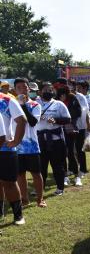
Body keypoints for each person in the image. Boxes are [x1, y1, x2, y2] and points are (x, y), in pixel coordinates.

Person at [13, 78, 46, 207]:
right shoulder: (11, 103)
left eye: (24, 87)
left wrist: (22, 105)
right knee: (20, 174)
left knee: (36, 173)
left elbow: (32, 122)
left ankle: (40, 199)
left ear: (28, 88)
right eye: (19, 87)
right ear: (15, 90)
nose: (22, 89)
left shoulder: (35, 105)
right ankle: (24, 198)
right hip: (16, 145)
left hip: (31, 145)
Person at [37, 82, 71, 196]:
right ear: (40, 91)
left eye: (50, 90)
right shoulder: (35, 103)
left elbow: (67, 119)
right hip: (40, 139)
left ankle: (60, 188)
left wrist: (56, 120)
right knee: (41, 166)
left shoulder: (59, 104)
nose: (48, 92)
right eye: (45, 90)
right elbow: (29, 118)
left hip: (56, 140)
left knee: (57, 165)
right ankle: (40, 188)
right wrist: (38, 116)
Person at [0, 91, 26, 225]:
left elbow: (22, 120)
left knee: (9, 182)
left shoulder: (6, 100)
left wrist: (16, 141)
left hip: (5, 149)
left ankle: (18, 215)